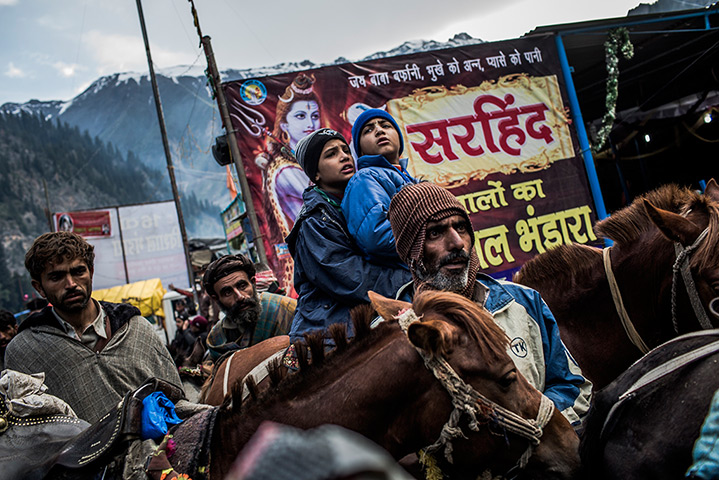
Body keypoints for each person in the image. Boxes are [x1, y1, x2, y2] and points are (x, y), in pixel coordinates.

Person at [387, 182, 592, 427]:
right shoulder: (390, 331)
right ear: (412, 252)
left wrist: (532, 426)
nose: (456, 243)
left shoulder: (524, 302)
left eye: (461, 227)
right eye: (435, 233)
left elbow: (572, 386)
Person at [4, 232, 184, 424]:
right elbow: (30, 436)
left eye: (78, 271)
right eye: (57, 277)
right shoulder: (25, 351)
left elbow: (176, 402)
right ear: (39, 287)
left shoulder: (136, 329)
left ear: (90, 271)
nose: (71, 284)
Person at [286, 128, 412, 343]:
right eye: (331, 154)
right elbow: (354, 280)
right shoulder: (313, 222)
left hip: (366, 311)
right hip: (329, 330)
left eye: (345, 150)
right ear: (315, 174)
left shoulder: (360, 199)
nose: (344, 156)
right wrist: (411, 280)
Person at [255, 73, 325, 291]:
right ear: (284, 125)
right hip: (312, 264)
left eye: (314, 115)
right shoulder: (285, 169)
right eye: (301, 116)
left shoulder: (312, 163)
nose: (311, 123)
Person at [341, 108, 418, 266]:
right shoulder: (364, 179)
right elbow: (377, 238)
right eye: (368, 130)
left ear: (399, 137)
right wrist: (432, 234)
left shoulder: (410, 178)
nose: (379, 130)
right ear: (360, 150)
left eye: (386, 126)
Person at [203, 254, 295, 361]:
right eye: (228, 292)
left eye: (242, 286)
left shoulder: (285, 309)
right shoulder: (217, 338)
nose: (240, 297)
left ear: (253, 283)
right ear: (216, 299)